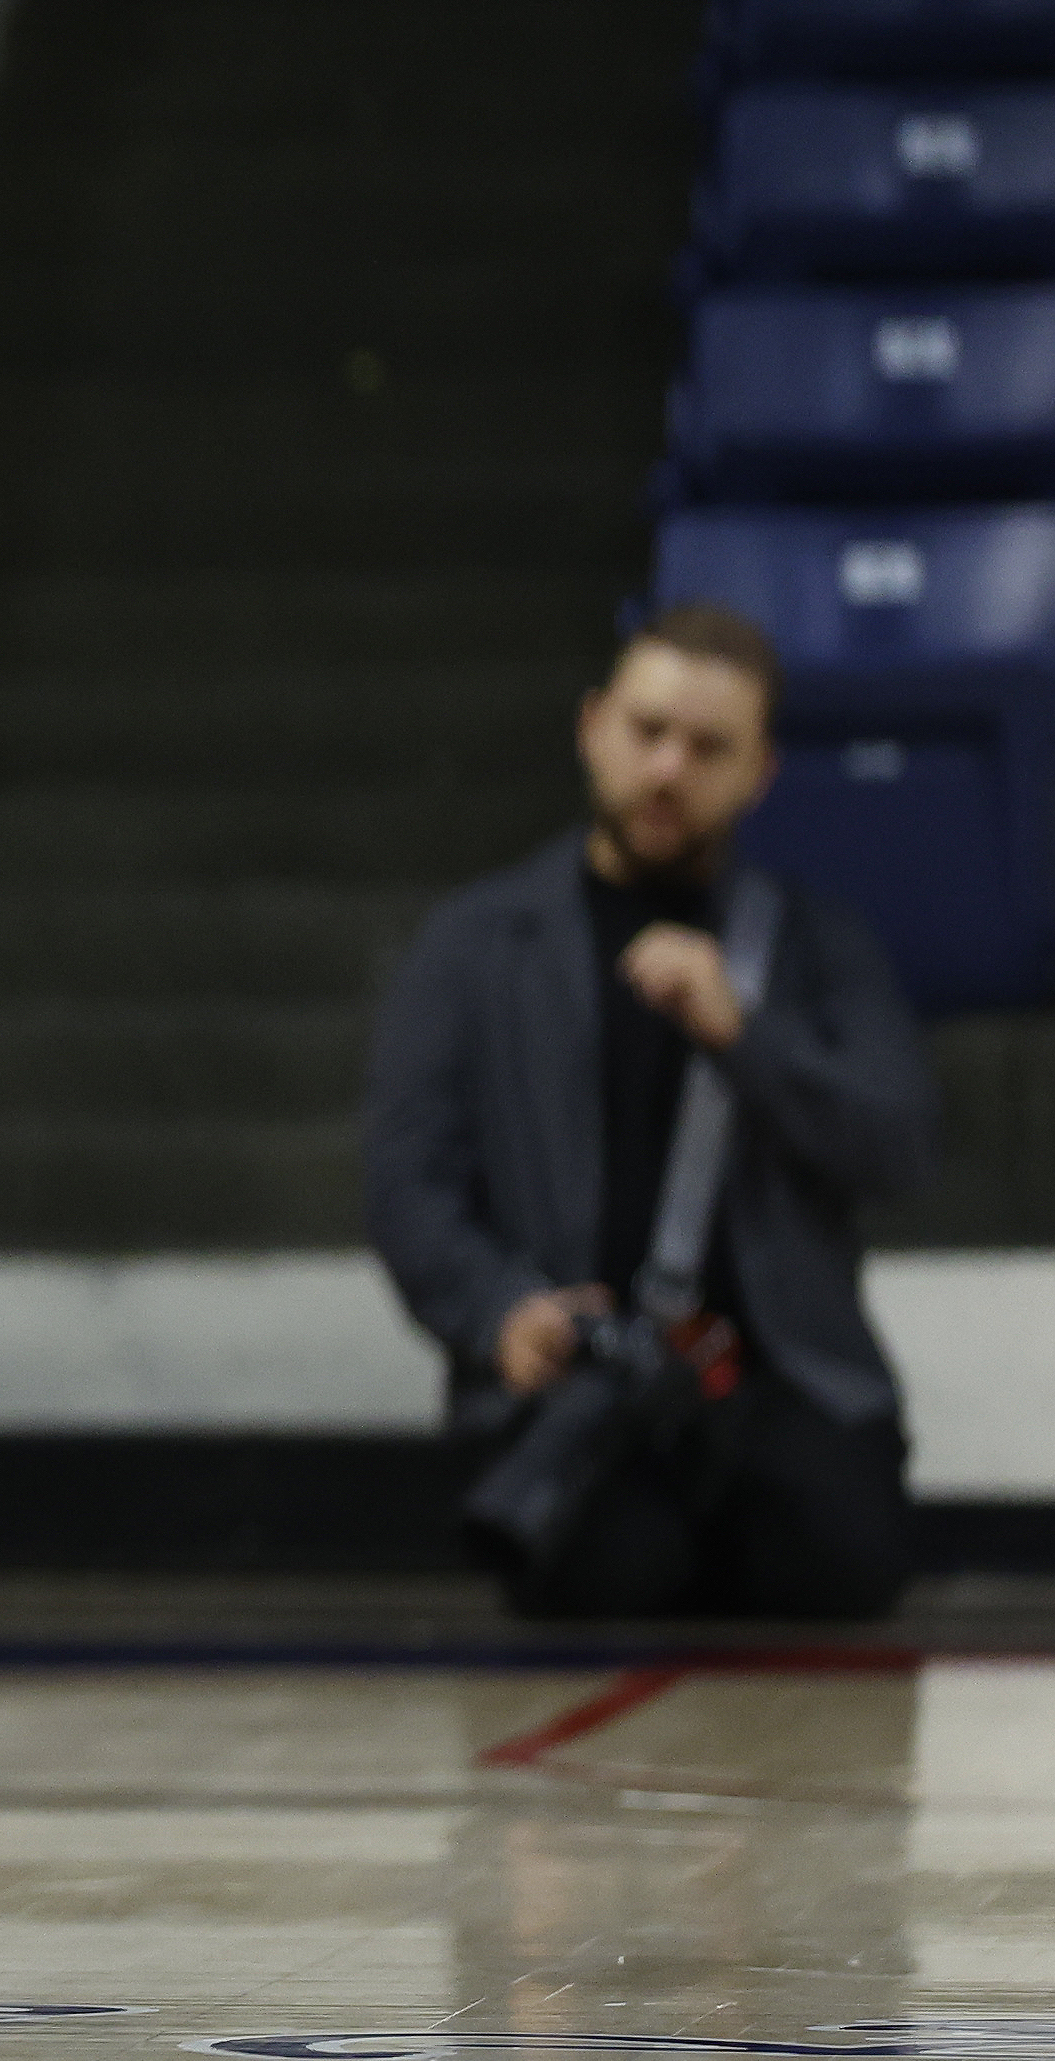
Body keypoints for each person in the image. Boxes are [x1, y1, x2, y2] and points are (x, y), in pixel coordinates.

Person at [364, 606, 938, 1621]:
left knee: (838, 1569)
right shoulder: (476, 944)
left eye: (708, 747)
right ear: (593, 727)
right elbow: (406, 1180)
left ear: (758, 770)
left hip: (775, 1382)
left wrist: (744, 1034)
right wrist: (496, 1307)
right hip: (582, 1385)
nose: (667, 768)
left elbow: (894, 1144)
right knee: (601, 1572)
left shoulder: (817, 943)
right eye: (646, 730)